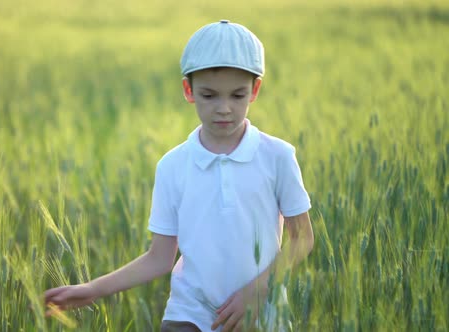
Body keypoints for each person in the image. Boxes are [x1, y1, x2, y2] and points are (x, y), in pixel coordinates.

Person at [44, 20, 314, 332]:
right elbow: (159, 258)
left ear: (255, 90)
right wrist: (92, 290)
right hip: (189, 314)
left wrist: (257, 289)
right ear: (189, 90)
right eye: (209, 95)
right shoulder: (172, 165)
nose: (224, 108)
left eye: (237, 95)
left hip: (259, 313)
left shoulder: (278, 156)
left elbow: (302, 238)